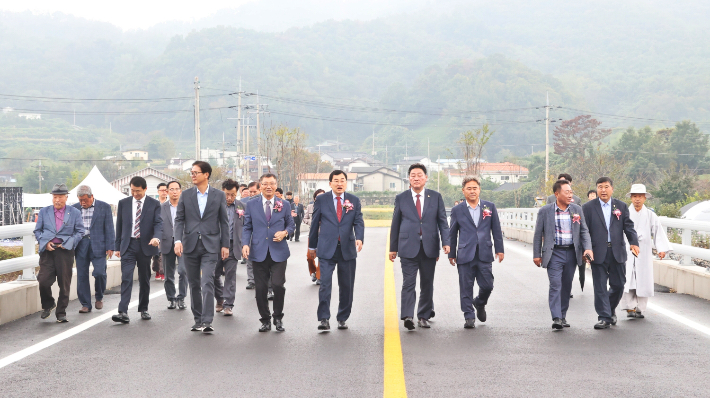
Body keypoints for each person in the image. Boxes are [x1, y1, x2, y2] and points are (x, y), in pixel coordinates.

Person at [389, 163, 450, 330]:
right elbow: (396, 224)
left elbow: (443, 222)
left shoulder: (435, 197)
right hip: (407, 246)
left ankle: (423, 315)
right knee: (408, 282)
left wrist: (446, 242)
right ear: (409, 178)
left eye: (419, 175)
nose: (416, 178)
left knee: (427, 283)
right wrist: (392, 248)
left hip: (429, 246)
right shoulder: (401, 198)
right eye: (413, 175)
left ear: (426, 178)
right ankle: (408, 316)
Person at [174, 161, 230, 333]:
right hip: (190, 245)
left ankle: (207, 320)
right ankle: (197, 319)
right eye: (191, 172)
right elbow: (179, 220)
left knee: (207, 281)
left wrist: (225, 245)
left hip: (211, 245)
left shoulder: (218, 195)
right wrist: (177, 240)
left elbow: (224, 222)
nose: (192, 175)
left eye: (196, 172)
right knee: (194, 284)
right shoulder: (186, 195)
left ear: (206, 175)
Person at [308, 170, 365, 331]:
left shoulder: (353, 200)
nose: (339, 183)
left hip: (347, 248)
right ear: (330, 183)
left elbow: (358, 221)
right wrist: (312, 246)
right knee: (325, 284)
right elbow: (315, 223)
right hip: (327, 249)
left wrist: (359, 238)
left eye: (342, 180)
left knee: (346, 285)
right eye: (336, 181)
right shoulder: (321, 200)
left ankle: (342, 317)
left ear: (346, 183)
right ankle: (324, 318)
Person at [533, 179, 593, 329]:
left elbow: (584, 230)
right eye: (566, 192)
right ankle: (556, 317)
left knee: (566, 286)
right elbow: (537, 234)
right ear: (556, 194)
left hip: (572, 253)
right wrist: (536, 254)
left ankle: (563, 315)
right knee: (555, 284)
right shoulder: (545, 211)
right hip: (554, 253)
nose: (570, 195)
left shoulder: (576, 210)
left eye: (571, 192)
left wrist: (588, 248)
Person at [582, 177, 639, 330]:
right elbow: (584, 230)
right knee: (599, 286)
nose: (603, 190)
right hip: (597, 251)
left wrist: (634, 242)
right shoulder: (588, 207)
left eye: (606, 187)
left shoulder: (620, 206)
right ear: (596, 189)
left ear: (612, 189)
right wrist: (585, 249)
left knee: (619, 285)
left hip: (617, 251)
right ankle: (604, 317)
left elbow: (628, 226)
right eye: (600, 187)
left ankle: (610, 309)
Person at [448, 176, 504, 329]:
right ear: (463, 190)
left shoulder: (489, 207)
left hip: (484, 253)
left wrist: (499, 249)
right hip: (465, 253)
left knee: (488, 285)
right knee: (466, 286)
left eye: (475, 188)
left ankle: (479, 302)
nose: (472, 191)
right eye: (469, 188)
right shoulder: (457, 210)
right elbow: (452, 233)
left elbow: (496, 230)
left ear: (479, 190)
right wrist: (451, 253)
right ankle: (468, 316)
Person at [242, 173, 295, 332]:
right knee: (261, 288)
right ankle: (265, 319)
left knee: (278, 285)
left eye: (272, 183)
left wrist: (285, 232)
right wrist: (245, 243)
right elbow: (247, 227)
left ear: (276, 185)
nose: (269, 186)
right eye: (265, 184)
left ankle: (278, 318)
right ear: (260, 186)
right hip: (258, 252)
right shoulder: (251, 204)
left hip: (279, 252)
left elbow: (291, 225)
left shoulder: (284, 204)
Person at [112, 176, 163, 324]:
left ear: (145, 189)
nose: (135, 194)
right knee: (126, 277)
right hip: (128, 245)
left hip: (146, 245)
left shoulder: (154, 204)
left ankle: (143, 308)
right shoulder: (124, 203)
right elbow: (119, 226)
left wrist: (157, 238)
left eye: (138, 191)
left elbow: (158, 223)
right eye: (132, 191)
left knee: (144, 278)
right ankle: (123, 311)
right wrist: (117, 247)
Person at [34, 184, 84, 323]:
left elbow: (80, 232)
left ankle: (61, 312)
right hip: (48, 251)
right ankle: (48, 304)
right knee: (43, 281)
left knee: (64, 283)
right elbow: (37, 231)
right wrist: (45, 242)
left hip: (64, 251)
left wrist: (68, 243)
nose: (57, 200)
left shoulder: (74, 212)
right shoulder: (44, 212)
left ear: (66, 197)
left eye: (60, 197)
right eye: (55, 197)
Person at [620, 184, 671, 319]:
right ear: (631, 198)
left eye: (640, 197)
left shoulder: (650, 215)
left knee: (643, 278)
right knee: (628, 277)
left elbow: (657, 231)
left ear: (644, 198)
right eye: (635, 196)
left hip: (644, 249)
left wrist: (661, 249)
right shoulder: (625, 213)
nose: (637, 199)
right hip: (628, 248)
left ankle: (640, 308)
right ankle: (630, 307)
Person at [72, 185, 115, 313]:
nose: (82, 203)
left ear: (92, 196)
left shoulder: (104, 207)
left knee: (100, 273)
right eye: (80, 200)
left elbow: (109, 228)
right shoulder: (74, 208)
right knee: (82, 275)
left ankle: (99, 296)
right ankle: (85, 304)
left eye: (85, 200)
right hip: (81, 244)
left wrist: (110, 246)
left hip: (99, 244)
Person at [214, 179, 245, 316]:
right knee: (214, 274)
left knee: (230, 275)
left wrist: (245, 244)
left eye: (233, 194)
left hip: (233, 245)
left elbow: (246, 227)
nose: (230, 198)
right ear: (222, 191)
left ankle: (228, 304)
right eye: (227, 194)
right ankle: (220, 298)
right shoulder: (214, 205)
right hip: (216, 245)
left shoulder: (242, 207)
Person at [160, 181, 188, 310]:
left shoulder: (186, 207)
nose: (174, 191)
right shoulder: (161, 208)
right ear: (167, 191)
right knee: (168, 274)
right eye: (171, 189)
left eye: (177, 189)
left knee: (183, 271)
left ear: (181, 191)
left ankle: (181, 297)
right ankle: (171, 298)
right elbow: (158, 225)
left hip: (183, 243)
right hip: (166, 243)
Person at [303, 189, 325, 284]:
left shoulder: (328, 207)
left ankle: (319, 276)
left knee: (322, 257)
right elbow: (305, 218)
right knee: (309, 256)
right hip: (312, 234)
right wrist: (313, 223)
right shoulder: (310, 207)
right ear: (315, 198)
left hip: (324, 235)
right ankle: (313, 272)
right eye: (318, 196)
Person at [244, 181, 261, 289]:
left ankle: (263, 281)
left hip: (261, 234)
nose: (252, 194)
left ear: (259, 190)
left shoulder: (265, 201)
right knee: (249, 258)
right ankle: (251, 280)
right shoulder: (244, 203)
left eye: (254, 191)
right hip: (249, 233)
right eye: (250, 192)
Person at [153, 183, 168, 281]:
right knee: (155, 254)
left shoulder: (170, 203)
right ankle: (157, 271)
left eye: (165, 190)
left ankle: (162, 272)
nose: (164, 192)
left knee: (163, 253)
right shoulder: (154, 204)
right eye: (161, 190)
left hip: (166, 232)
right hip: (155, 231)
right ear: (158, 192)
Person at [239, 186, 251, 265]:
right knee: (243, 240)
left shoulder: (253, 200)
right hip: (242, 222)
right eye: (244, 193)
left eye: (247, 193)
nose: (246, 194)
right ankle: (244, 256)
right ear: (242, 193)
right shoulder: (240, 202)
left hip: (249, 222)